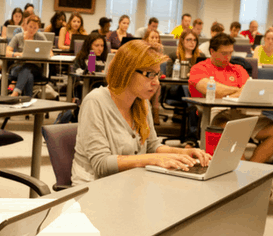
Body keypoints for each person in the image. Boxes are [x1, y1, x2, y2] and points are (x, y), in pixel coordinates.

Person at [71, 39, 211, 185]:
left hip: (130, 185)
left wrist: (182, 153)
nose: (156, 82)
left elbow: (152, 146)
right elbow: (101, 164)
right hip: (93, 189)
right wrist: (152, 159)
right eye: (150, 74)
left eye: (157, 74)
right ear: (127, 72)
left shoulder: (142, 103)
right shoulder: (95, 102)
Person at [189, 33, 273, 163]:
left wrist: (227, 92)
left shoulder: (238, 69)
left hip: (243, 111)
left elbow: (250, 91)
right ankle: (239, 170)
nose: (228, 57)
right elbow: (210, 88)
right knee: (231, 130)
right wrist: (236, 90)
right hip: (216, 113)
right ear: (212, 51)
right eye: (224, 53)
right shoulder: (200, 68)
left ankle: (250, 169)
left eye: (230, 52)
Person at [5, 15, 51, 97]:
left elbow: (50, 52)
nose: (32, 30)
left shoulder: (40, 37)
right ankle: (27, 99)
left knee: (28, 68)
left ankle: (16, 93)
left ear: (38, 28)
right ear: (26, 25)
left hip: (35, 68)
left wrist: (42, 54)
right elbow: (7, 52)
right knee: (28, 73)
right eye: (30, 27)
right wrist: (18, 54)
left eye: (35, 28)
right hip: (18, 67)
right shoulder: (18, 37)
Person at [142, 29, 164, 125]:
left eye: (157, 38)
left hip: (154, 78)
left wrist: (159, 51)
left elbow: (159, 68)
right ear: (146, 39)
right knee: (154, 85)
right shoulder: (142, 50)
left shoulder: (160, 51)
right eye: (152, 37)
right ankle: (153, 112)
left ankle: (152, 112)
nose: (155, 40)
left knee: (156, 85)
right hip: (143, 78)